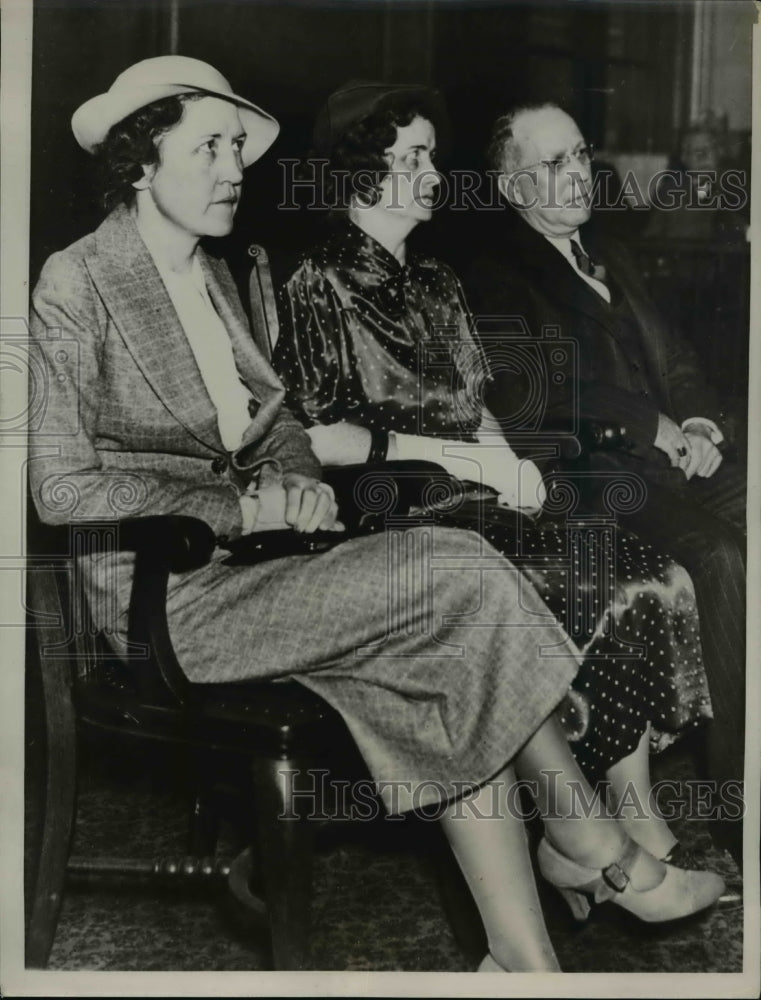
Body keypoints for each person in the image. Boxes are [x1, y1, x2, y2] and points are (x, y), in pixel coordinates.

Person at [29, 59, 724, 975]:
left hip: (264, 568)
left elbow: (277, 428)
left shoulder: (213, 275)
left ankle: (519, 959)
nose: (235, 165)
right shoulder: (76, 281)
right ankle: (589, 843)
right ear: (139, 164)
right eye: (209, 146)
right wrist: (234, 505)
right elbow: (62, 489)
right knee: (457, 571)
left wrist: (293, 482)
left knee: (449, 635)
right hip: (164, 597)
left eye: (238, 145)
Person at [464, 102, 747, 867]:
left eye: (579, 154)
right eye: (551, 164)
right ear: (512, 186)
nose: (575, 174)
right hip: (593, 480)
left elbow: (679, 357)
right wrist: (656, 428)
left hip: (671, 460)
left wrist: (698, 424)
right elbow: (547, 395)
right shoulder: (493, 273)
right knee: (722, 557)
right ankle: (739, 816)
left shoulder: (609, 252)